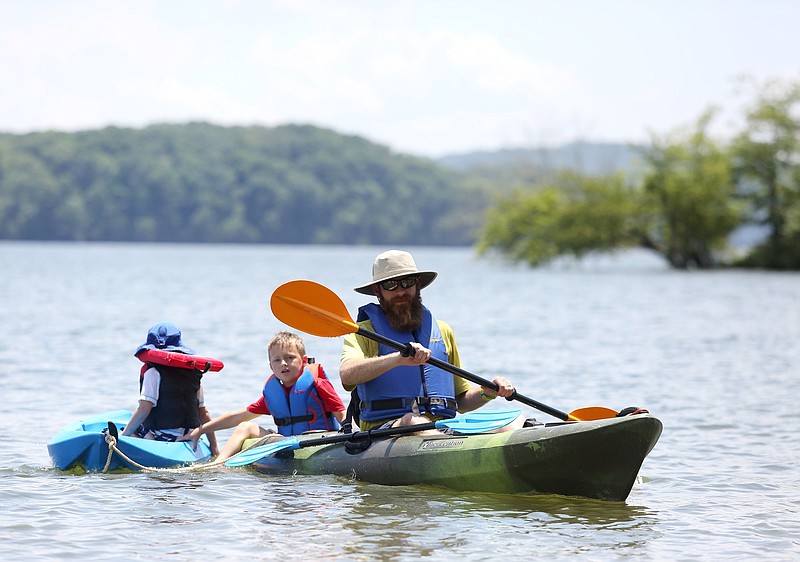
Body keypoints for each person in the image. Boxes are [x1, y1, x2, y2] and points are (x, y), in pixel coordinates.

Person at [340, 249, 525, 432]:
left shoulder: (442, 330)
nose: (400, 291)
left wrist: (487, 392)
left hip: (442, 428)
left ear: (417, 284)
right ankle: (453, 450)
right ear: (377, 290)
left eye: (407, 282)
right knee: (412, 421)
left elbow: (460, 401)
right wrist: (397, 359)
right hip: (387, 430)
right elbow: (347, 375)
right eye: (390, 285)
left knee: (516, 420)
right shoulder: (364, 332)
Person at [180, 331, 346, 462]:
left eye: (290, 358)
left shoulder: (318, 384)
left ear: (303, 360)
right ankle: (220, 463)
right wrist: (200, 430)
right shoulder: (272, 394)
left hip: (319, 441)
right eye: (277, 360)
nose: (283, 363)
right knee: (246, 426)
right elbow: (238, 416)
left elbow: (341, 413)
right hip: (286, 442)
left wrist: (350, 439)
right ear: (271, 366)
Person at [122, 322, 219, 455]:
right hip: (190, 436)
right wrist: (214, 448)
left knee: (134, 429)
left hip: (164, 437)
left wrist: (123, 437)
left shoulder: (153, 372)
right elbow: (204, 413)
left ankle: (143, 444)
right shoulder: (194, 374)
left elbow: (144, 409)